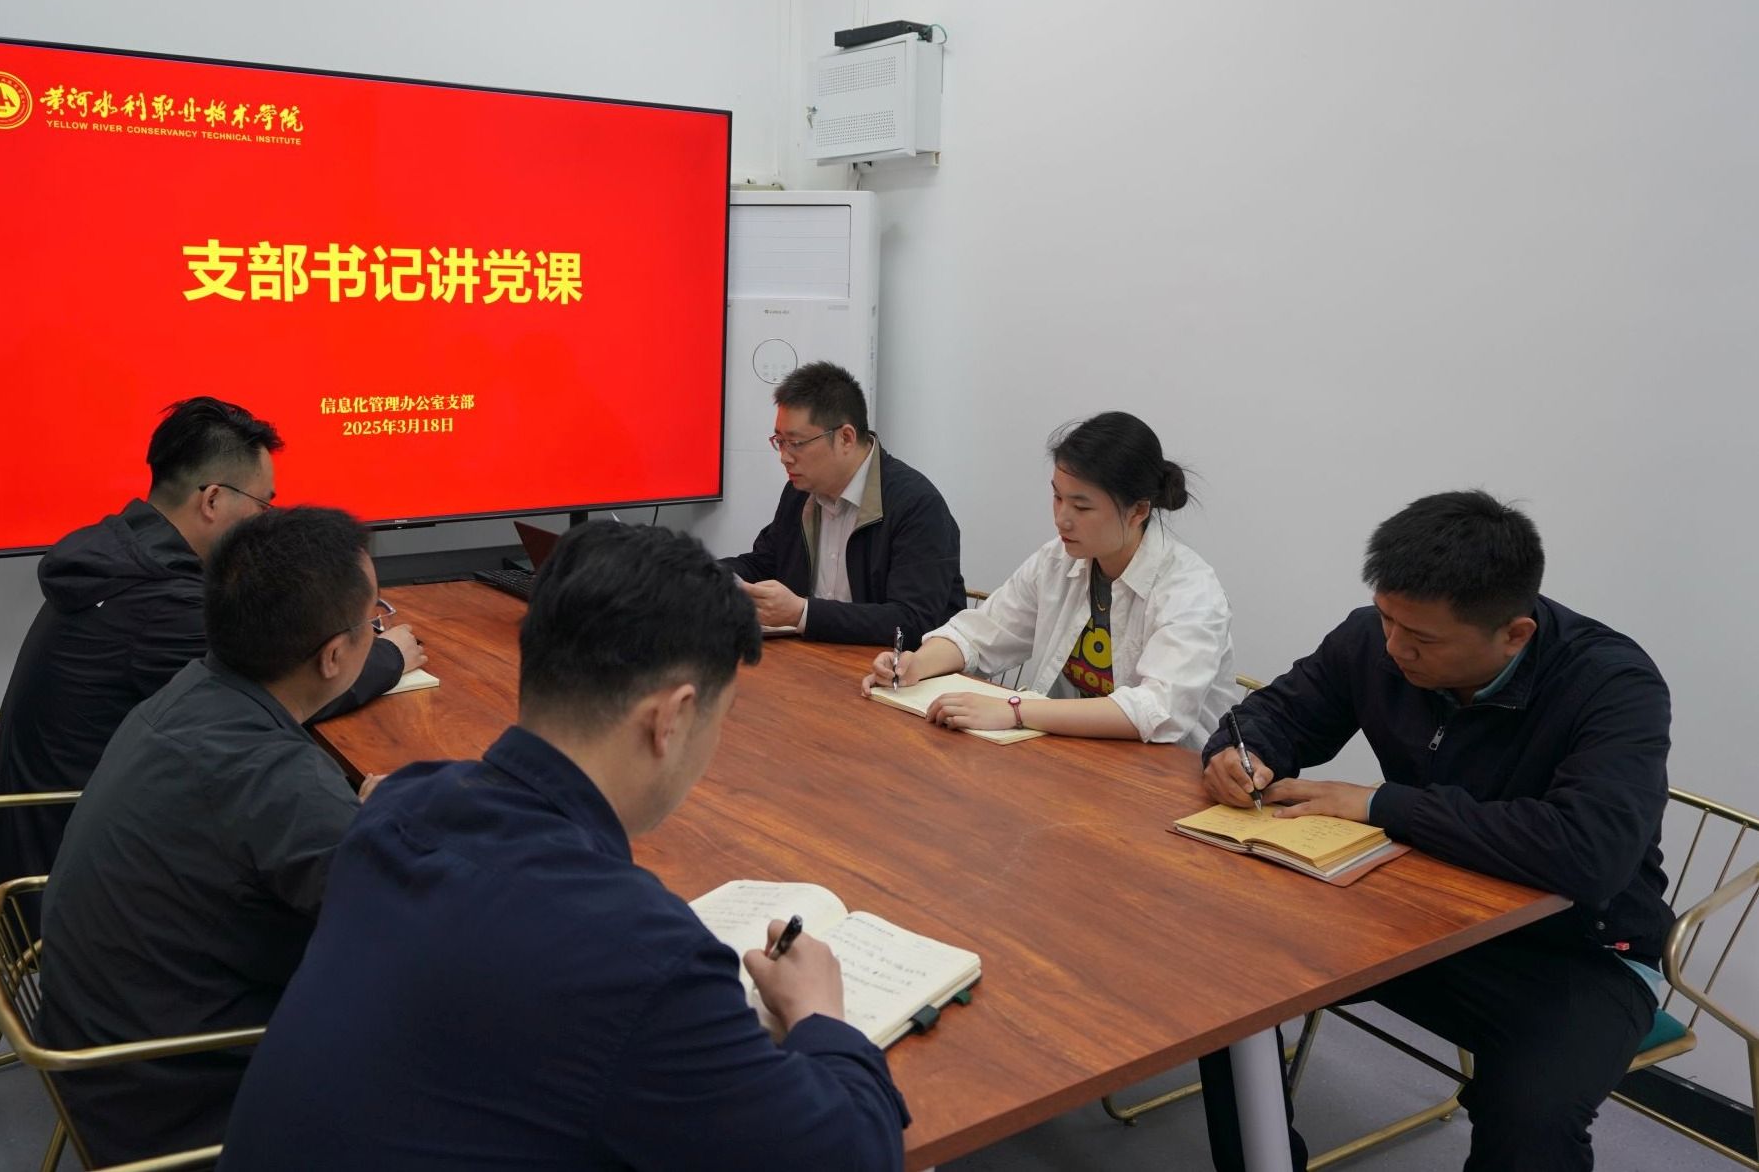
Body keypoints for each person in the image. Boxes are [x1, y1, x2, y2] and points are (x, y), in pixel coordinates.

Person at [219, 522, 911, 1171]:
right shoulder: (641, 958)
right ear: (672, 717)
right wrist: (818, 1013)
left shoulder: (398, 810)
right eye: (720, 718)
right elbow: (848, 1154)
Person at [1194, 491, 1671, 1172]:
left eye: (1422, 639)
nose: (1394, 649)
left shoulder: (1611, 684)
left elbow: (1589, 853)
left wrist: (1382, 805)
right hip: (1416, 913)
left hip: (1575, 950)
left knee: (1529, 1117)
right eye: (1387, 618)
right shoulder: (1375, 639)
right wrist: (1239, 755)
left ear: (1514, 634)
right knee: (1225, 984)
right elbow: (1278, 713)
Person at [38, 507, 397, 1165]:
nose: (377, 634)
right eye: (374, 621)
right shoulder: (283, 782)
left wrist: (350, 822)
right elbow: (416, 941)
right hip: (180, 1098)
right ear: (334, 655)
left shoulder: (192, 690)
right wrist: (382, 827)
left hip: (94, 1045)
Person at [0, 396, 423, 892]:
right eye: (263, 505)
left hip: (45, 834)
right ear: (212, 500)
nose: (265, 522)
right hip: (69, 871)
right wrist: (388, 657)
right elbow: (285, 688)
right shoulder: (163, 606)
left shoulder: (120, 556)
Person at [863, 411, 1238, 749]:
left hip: (1161, 777)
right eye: (1057, 498)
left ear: (1139, 510)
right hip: (1070, 756)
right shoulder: (1059, 559)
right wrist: (914, 665)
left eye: (1082, 506)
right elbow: (982, 632)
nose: (1062, 519)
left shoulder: (1189, 591)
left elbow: (1156, 710)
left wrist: (1015, 710)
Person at [725, 360, 965, 647]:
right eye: (780, 441)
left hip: (894, 669)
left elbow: (912, 622)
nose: (784, 457)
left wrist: (803, 613)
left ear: (846, 438)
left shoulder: (917, 506)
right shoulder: (800, 492)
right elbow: (765, 563)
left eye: (795, 443)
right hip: (817, 659)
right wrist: (707, 575)